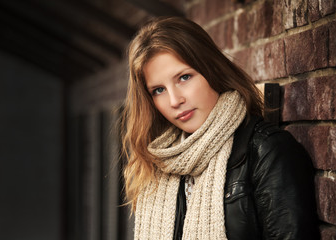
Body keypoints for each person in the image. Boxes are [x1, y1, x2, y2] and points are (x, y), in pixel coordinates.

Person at [121, 16, 320, 240]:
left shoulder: (267, 151)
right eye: (158, 90)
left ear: (212, 70)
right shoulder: (160, 161)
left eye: (184, 77)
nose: (174, 100)